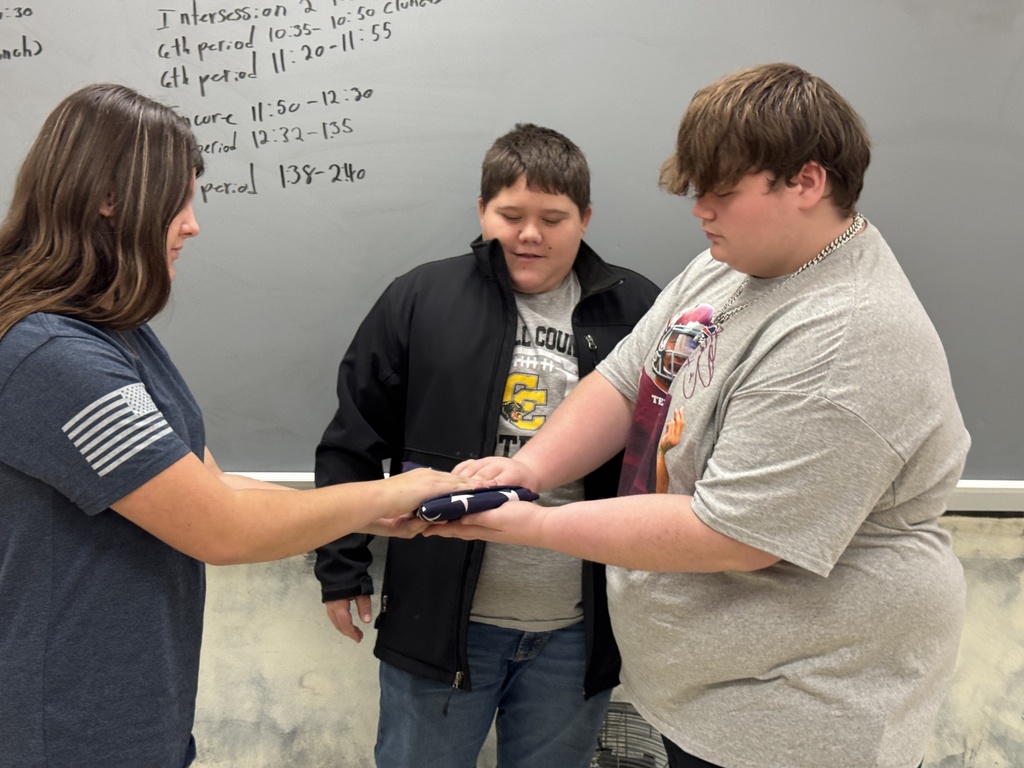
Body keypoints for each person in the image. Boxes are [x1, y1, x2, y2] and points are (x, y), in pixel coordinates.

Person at [427, 63, 970, 768]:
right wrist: (526, 468)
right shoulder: (731, 263)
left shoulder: (846, 338)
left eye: (720, 192)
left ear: (806, 183)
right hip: (705, 695)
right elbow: (627, 379)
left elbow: (731, 535)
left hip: (795, 721)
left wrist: (529, 523)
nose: (699, 210)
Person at [0, 83, 476, 768]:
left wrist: (377, 515)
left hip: (136, 715)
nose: (191, 224)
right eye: (179, 199)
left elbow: (215, 488)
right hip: (69, 731)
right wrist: (382, 495)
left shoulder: (115, 337)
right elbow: (220, 527)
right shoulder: (57, 360)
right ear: (110, 196)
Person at [312, 123, 661, 767]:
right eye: (511, 215)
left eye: (553, 217)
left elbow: (664, 462)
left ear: (585, 218)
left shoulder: (638, 308)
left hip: (578, 635)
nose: (530, 235)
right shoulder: (421, 297)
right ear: (481, 211)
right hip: (440, 626)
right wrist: (342, 567)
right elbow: (352, 440)